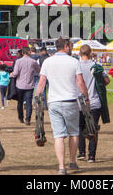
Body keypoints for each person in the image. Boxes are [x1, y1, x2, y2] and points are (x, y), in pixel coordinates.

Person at [35, 37, 90, 175]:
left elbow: (41, 82)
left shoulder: (48, 61)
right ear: (65, 46)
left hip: (54, 101)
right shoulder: (73, 61)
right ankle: (72, 161)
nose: (71, 48)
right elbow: (80, 82)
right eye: (70, 45)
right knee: (73, 133)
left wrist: (37, 97)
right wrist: (86, 97)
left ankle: (61, 167)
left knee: (58, 135)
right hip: (70, 101)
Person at [77, 44, 110, 163]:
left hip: (80, 102)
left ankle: (81, 152)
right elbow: (106, 80)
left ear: (80, 54)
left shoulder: (76, 66)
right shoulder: (97, 66)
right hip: (94, 101)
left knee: (80, 127)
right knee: (93, 128)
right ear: (90, 53)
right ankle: (92, 156)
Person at [11, 47, 40, 125]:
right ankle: (28, 119)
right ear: (29, 52)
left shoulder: (18, 61)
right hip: (29, 85)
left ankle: (21, 118)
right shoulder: (33, 62)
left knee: (20, 102)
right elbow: (39, 70)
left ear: (23, 53)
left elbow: (16, 73)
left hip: (19, 85)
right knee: (28, 103)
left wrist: (12, 74)